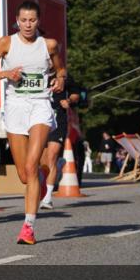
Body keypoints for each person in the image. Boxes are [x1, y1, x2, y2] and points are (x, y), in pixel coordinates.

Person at [0, 0, 66, 245]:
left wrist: (60, 80)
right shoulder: (6, 43)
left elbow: (60, 70)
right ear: (17, 21)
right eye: (24, 20)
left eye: (32, 20)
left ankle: (28, 227)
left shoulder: (48, 45)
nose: (28, 25)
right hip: (15, 107)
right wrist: (6, 74)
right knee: (23, 175)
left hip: (40, 105)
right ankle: (41, 175)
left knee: (30, 167)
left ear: (39, 22)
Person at [40, 72, 81, 209]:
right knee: (42, 161)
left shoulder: (64, 76)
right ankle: (57, 167)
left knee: (51, 157)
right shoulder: (37, 71)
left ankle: (47, 198)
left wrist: (69, 101)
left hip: (58, 120)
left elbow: (76, 94)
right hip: (39, 119)